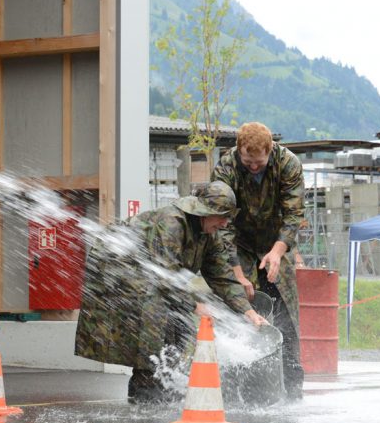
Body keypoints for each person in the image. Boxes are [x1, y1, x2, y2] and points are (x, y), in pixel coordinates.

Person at [74, 181, 267, 403]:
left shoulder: (209, 235)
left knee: (180, 323)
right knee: (156, 314)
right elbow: (164, 273)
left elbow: (222, 276)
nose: (225, 223)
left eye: (228, 217)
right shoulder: (171, 223)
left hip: (149, 277)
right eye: (221, 216)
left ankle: (166, 380)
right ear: (204, 212)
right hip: (116, 270)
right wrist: (195, 305)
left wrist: (248, 311)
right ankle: (145, 388)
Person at [212, 121, 306, 396]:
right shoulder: (226, 167)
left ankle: (291, 385)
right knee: (236, 302)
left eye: (259, 162)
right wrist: (237, 273)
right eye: (248, 161)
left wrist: (277, 251)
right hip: (238, 242)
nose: (253, 166)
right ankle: (236, 384)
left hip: (277, 240)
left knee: (285, 310)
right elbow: (222, 223)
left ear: (270, 150)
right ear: (239, 151)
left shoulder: (288, 163)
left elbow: (293, 215)